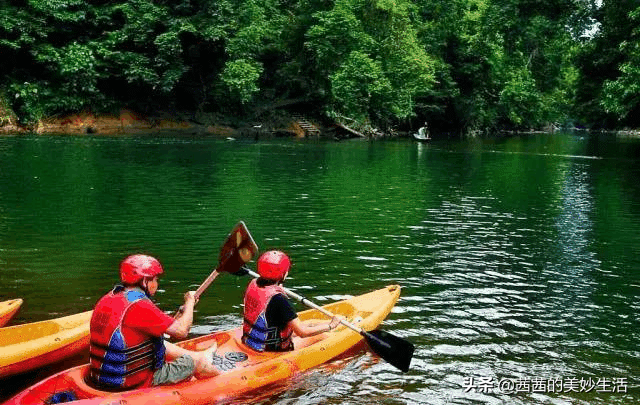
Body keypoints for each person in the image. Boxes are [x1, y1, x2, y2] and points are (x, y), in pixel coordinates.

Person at [89, 254, 218, 391]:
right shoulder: (140, 306)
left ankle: (200, 355)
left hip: (102, 379)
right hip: (134, 384)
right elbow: (182, 331)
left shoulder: (108, 298)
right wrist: (190, 302)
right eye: (155, 280)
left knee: (159, 342)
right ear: (145, 281)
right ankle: (216, 373)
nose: (156, 284)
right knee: (198, 364)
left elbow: (161, 328)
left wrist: (183, 311)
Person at [242, 250, 341, 352]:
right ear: (284, 274)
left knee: (311, 323)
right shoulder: (279, 299)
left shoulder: (253, 283)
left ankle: (341, 324)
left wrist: (278, 284)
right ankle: (335, 326)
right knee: (324, 335)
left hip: (250, 339)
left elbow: (267, 290)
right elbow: (302, 333)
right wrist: (330, 326)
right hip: (272, 349)